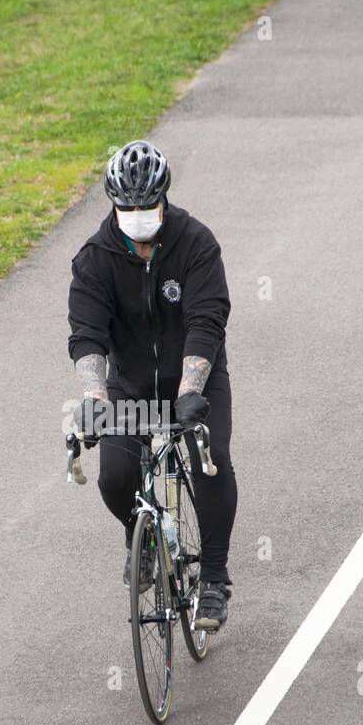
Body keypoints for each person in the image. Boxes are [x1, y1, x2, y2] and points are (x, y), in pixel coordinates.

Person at [67, 139, 237, 630]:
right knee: (114, 477)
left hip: (194, 376)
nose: (138, 214)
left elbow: (206, 322)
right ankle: (140, 537)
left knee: (212, 461)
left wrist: (190, 392)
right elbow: (87, 337)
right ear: (114, 205)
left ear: (164, 199)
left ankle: (212, 579)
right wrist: (95, 399)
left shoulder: (196, 244)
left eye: (147, 206)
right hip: (132, 385)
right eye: (128, 208)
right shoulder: (94, 260)